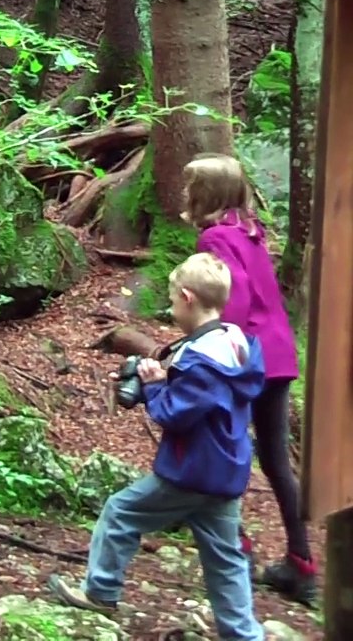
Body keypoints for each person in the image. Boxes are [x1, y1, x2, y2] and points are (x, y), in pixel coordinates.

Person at [48, 253, 265, 641]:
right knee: (225, 558)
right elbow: (208, 399)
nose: (170, 306)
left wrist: (153, 385)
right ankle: (244, 634)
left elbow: (176, 414)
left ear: (187, 298)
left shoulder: (203, 363)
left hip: (192, 471)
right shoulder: (233, 345)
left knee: (120, 513)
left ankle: (100, 591)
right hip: (227, 470)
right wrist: (168, 375)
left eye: (171, 298)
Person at [183, 153, 315, 605]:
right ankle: (301, 561)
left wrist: (209, 343)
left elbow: (232, 297)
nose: (186, 195)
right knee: (276, 459)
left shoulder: (215, 236)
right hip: (277, 354)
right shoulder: (250, 231)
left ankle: (233, 547)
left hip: (244, 358)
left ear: (206, 193)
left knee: (224, 447)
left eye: (191, 187)